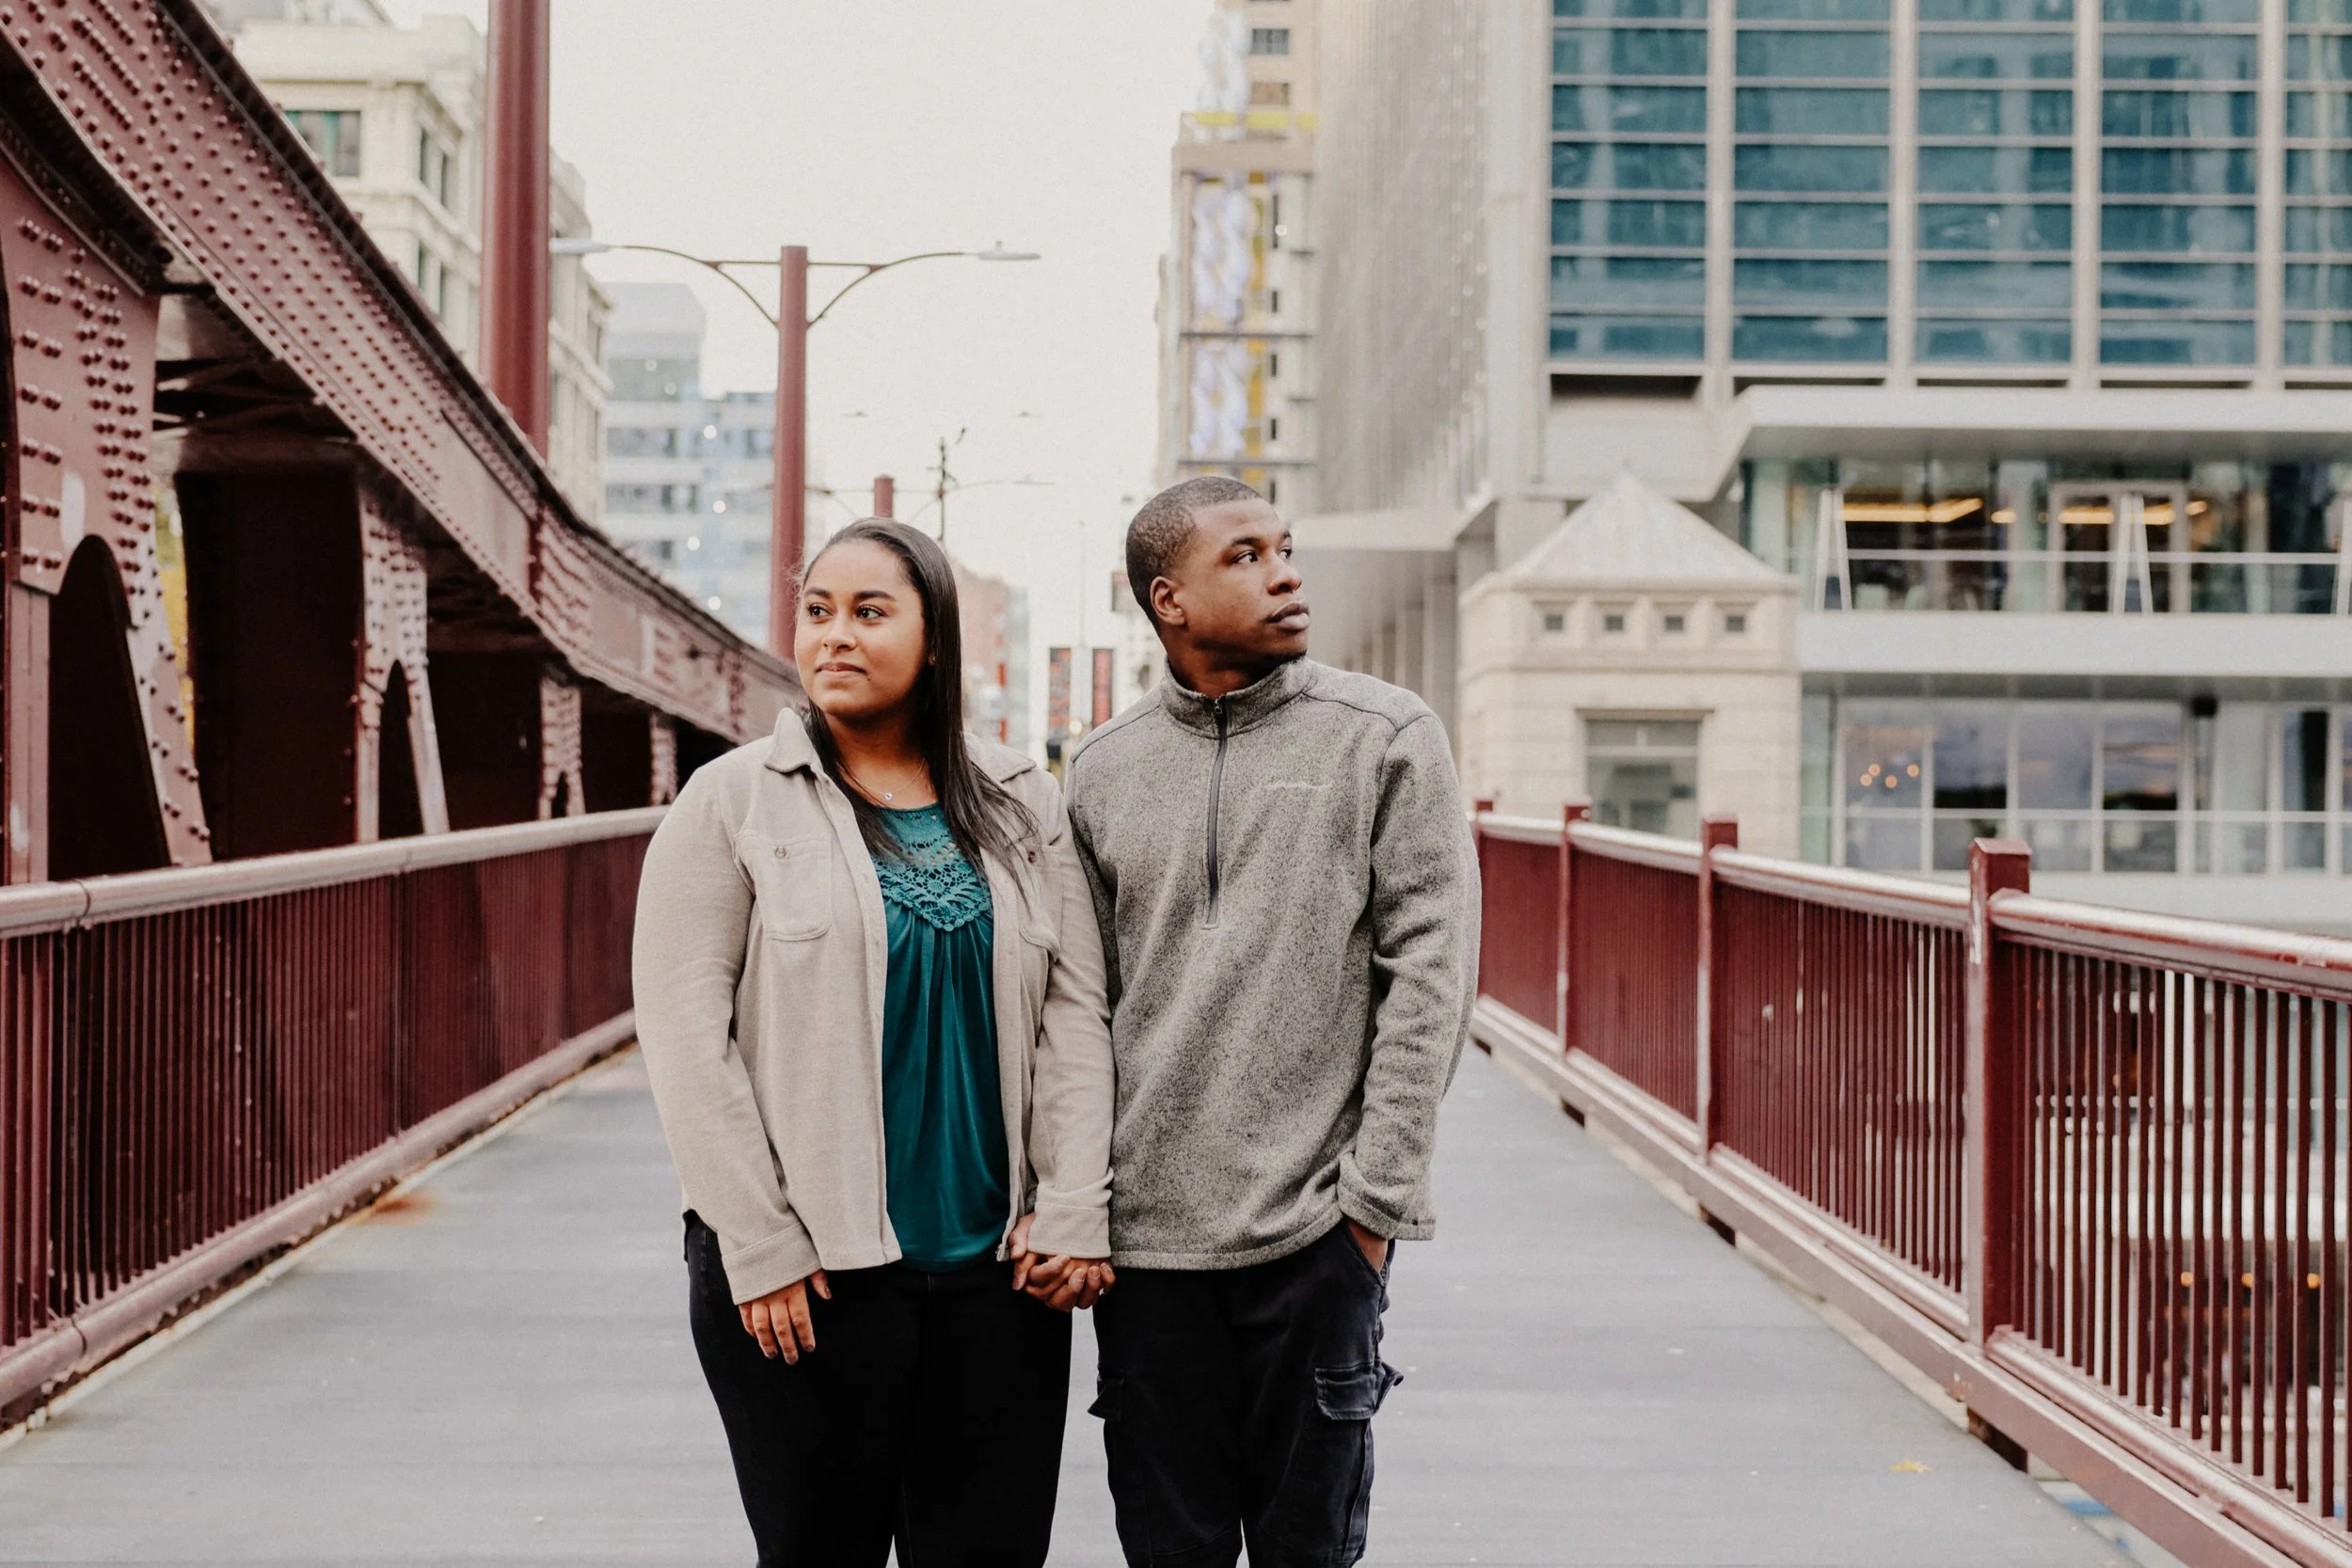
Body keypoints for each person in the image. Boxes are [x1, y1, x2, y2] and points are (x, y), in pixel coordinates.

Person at [631, 517, 1116, 1568]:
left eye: (868, 611)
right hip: (807, 1280)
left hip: (1000, 1278)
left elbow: (1075, 1011)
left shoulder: (1022, 802)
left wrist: (1073, 1202)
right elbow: (682, 1036)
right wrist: (756, 1243)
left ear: (934, 638)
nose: (834, 635)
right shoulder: (730, 801)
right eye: (817, 611)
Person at [1065, 476, 1480, 1568]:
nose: (1285, 571)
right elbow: (1077, 1002)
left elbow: (1430, 977)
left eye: (1286, 548)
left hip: (1313, 1237)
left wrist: (1373, 1208)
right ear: (1169, 599)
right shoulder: (1100, 771)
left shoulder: (1385, 736)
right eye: (1245, 555)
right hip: (1147, 1254)